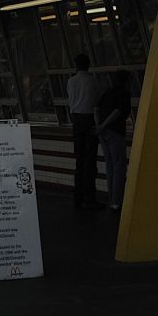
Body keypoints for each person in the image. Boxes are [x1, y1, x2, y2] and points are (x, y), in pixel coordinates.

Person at [65, 53, 100, 208]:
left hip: (76, 120)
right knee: (90, 159)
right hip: (89, 118)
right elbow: (98, 101)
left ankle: (77, 196)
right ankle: (89, 198)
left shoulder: (71, 81)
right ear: (88, 64)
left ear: (76, 66)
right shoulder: (94, 81)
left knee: (79, 159)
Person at [96, 70, 133, 211]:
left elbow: (96, 108)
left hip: (103, 133)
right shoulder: (124, 94)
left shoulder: (107, 93)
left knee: (110, 165)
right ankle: (117, 201)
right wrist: (104, 125)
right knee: (119, 166)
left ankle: (112, 199)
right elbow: (118, 112)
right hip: (116, 131)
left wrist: (99, 126)